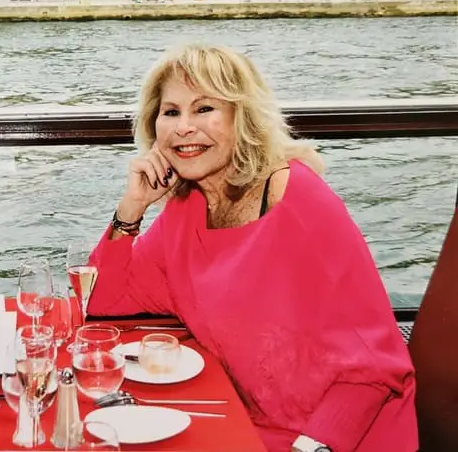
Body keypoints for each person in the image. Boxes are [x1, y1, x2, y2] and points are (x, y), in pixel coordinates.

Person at [86, 44, 417, 452]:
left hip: (332, 439)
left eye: (204, 108)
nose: (183, 127)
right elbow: (102, 301)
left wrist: (311, 447)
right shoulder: (186, 209)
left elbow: (373, 369)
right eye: (171, 112)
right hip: (244, 420)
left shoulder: (297, 200)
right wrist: (131, 208)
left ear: (242, 117)